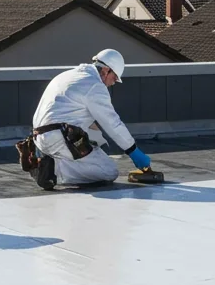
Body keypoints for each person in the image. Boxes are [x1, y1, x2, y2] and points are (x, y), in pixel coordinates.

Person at [28, 49, 153, 189]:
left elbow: (82, 118)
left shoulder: (68, 75)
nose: (113, 83)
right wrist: (134, 151)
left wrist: (96, 143)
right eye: (114, 78)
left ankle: (48, 158)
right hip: (58, 138)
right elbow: (112, 123)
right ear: (106, 70)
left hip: (40, 137)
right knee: (109, 171)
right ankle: (54, 170)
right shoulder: (94, 85)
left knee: (92, 150)